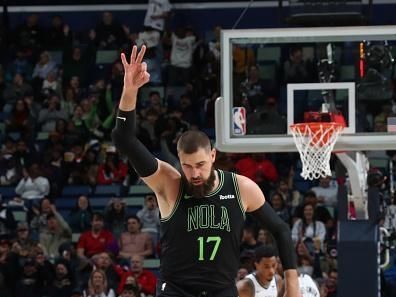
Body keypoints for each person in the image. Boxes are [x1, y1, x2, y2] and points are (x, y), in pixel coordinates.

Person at [112, 45, 299, 297]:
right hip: (176, 291)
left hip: (221, 291)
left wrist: (293, 284)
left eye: (200, 165)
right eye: (187, 166)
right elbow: (124, 139)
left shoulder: (240, 188)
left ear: (213, 156)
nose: (194, 173)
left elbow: (281, 230)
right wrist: (130, 91)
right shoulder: (170, 183)